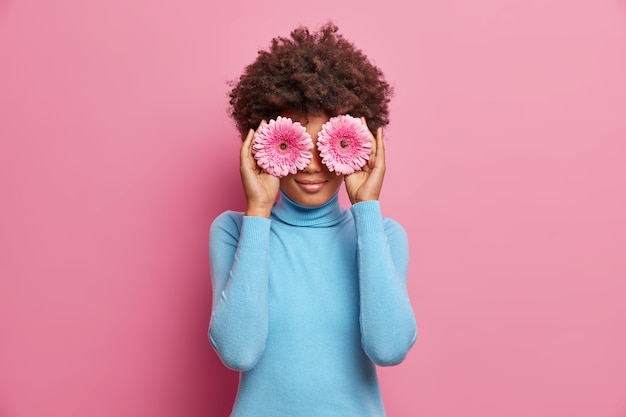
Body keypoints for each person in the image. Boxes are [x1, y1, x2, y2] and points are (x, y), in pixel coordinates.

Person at [208, 22, 417, 417]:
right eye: (296, 143)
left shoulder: (384, 235)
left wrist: (366, 207)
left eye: (330, 144)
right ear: (263, 140)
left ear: (361, 143)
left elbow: (388, 348)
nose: (313, 165)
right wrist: (258, 211)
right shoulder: (234, 231)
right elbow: (238, 350)